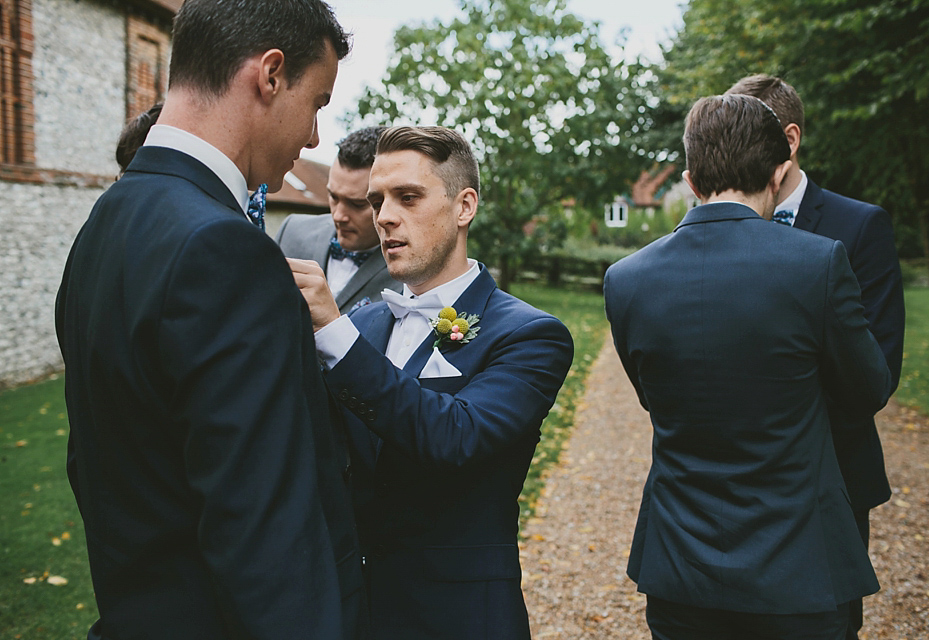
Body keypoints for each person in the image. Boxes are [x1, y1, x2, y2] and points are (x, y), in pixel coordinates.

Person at [55, 1, 366, 638]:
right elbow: (265, 528)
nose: (313, 136)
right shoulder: (224, 249)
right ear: (271, 74)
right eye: (318, 101)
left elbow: (94, 465)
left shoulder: (106, 223)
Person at [604, 94, 891, 640]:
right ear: (779, 172)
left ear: (690, 179)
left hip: (680, 560)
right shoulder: (819, 262)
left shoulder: (626, 278)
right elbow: (868, 389)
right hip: (798, 561)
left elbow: (652, 394)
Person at [288, 125, 574, 639]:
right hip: (350, 613)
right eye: (377, 200)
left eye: (408, 197)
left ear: (465, 206)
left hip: (458, 616)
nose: (384, 217)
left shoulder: (531, 335)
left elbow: (454, 436)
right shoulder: (366, 325)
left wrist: (332, 333)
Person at [726, 74, 905, 640]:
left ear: (789, 140)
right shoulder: (716, 230)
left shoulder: (859, 227)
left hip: (831, 480)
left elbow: (878, 368)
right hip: (726, 484)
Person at [276, 126, 402, 312]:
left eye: (357, 204)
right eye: (333, 197)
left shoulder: (409, 274)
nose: (338, 216)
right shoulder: (292, 231)